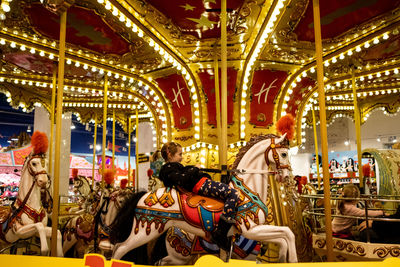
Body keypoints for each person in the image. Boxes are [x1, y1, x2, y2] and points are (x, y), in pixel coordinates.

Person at [159, 142, 239, 251]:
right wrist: (195, 168)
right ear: (169, 154)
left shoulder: (176, 167)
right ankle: (221, 232)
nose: (181, 158)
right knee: (232, 193)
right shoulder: (168, 169)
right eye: (180, 154)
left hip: (203, 183)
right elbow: (181, 179)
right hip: (201, 185)